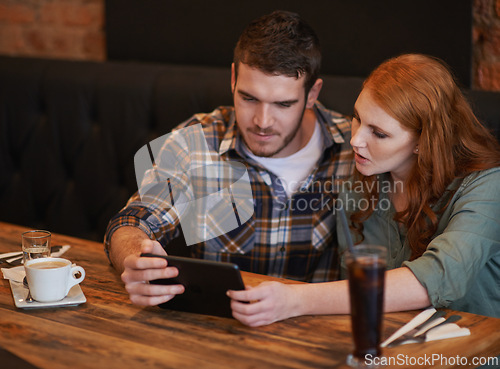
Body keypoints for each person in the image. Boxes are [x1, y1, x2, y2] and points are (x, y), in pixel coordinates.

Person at [228, 53, 500, 326]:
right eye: (357, 118)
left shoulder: (487, 186)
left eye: (378, 133)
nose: (356, 139)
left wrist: (295, 299)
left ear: (423, 141)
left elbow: (438, 277)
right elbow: (354, 291)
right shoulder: (360, 181)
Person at [104, 10, 354, 307]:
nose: (262, 121)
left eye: (283, 104)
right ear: (234, 79)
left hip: (316, 334)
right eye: (249, 98)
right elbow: (132, 221)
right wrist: (135, 259)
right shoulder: (196, 142)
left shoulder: (353, 149)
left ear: (312, 94)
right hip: (219, 329)